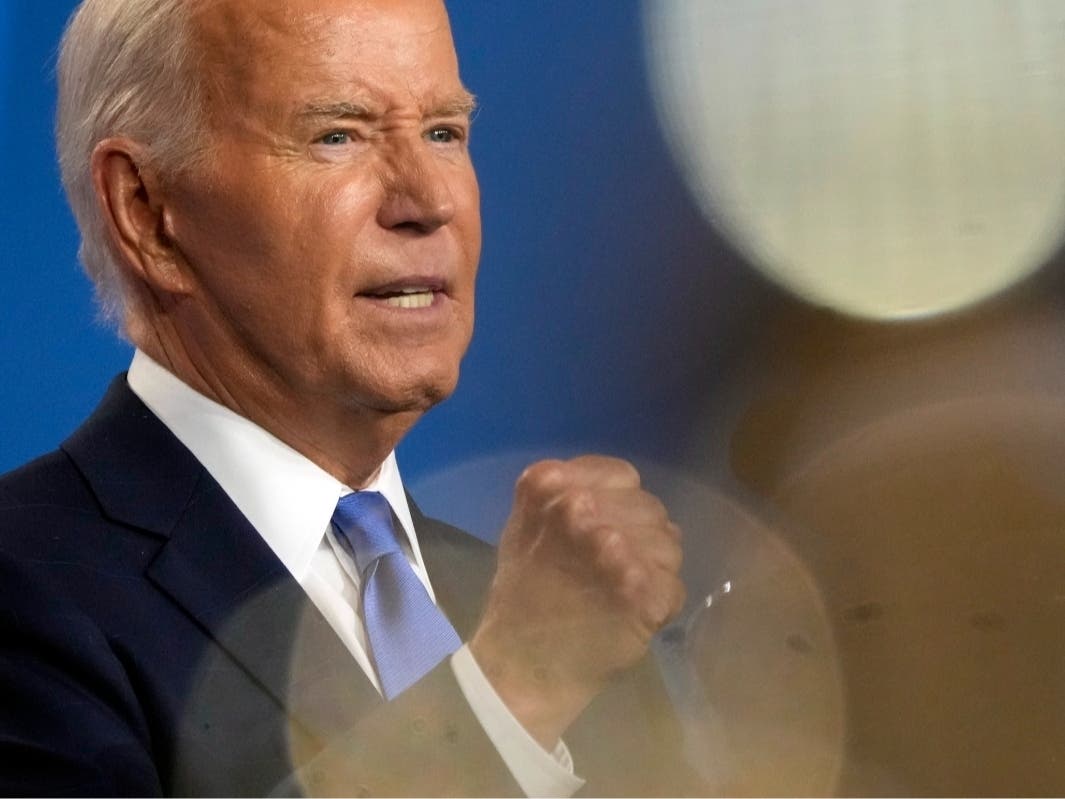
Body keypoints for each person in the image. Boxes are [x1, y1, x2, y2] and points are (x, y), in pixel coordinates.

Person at [0, 0, 694, 795]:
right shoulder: (27, 593)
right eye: (339, 135)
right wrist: (512, 691)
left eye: (444, 132)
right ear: (148, 213)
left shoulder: (554, 611)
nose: (427, 201)